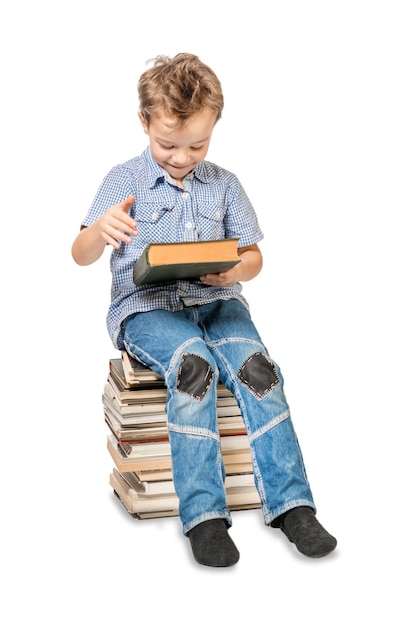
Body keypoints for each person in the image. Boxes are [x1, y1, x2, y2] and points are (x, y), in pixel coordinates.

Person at [71, 52, 337, 567]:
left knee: (259, 371)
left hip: (218, 303)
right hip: (148, 308)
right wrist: (99, 232)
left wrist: (236, 270)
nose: (181, 156)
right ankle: (205, 517)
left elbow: (254, 255)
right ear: (144, 123)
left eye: (198, 144)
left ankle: (292, 507)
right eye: (168, 144)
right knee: (194, 367)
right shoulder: (122, 179)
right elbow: (78, 251)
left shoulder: (224, 184)